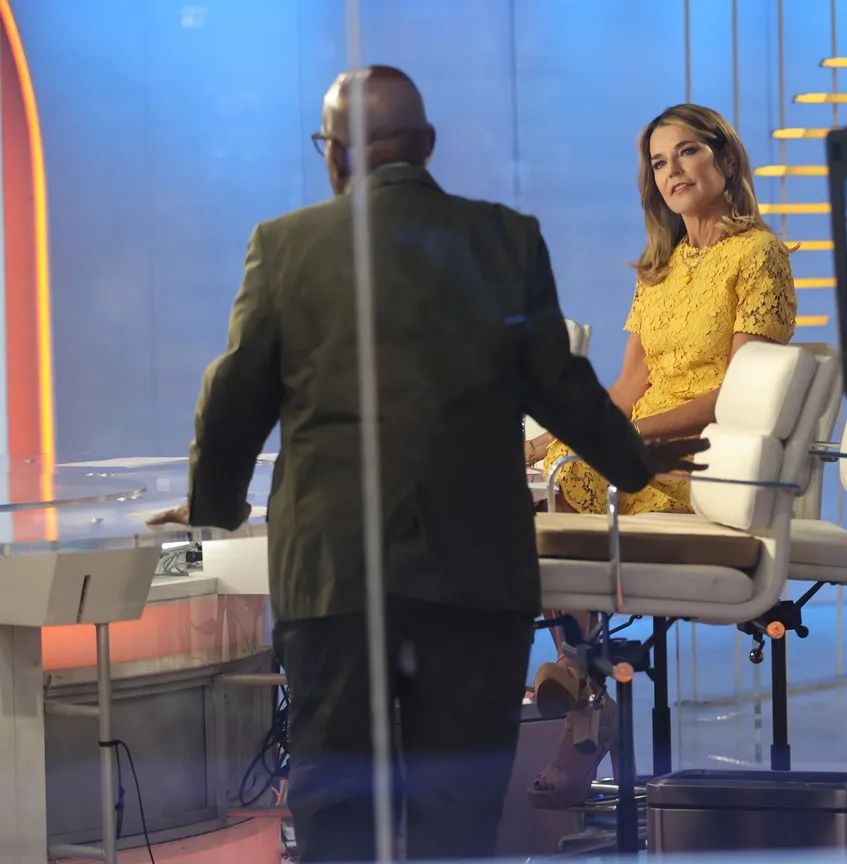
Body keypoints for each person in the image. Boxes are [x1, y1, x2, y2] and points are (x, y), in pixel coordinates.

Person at [147, 66, 708, 863]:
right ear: (429, 146)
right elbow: (563, 389)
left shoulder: (286, 246)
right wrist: (632, 466)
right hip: (475, 571)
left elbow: (233, 396)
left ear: (335, 154)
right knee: (460, 811)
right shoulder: (505, 238)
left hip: (337, 573)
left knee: (339, 805)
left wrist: (217, 505)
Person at [523, 103, 797, 809]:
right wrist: (557, 435)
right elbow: (629, 387)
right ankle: (583, 683)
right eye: (658, 162)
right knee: (538, 482)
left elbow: (737, 396)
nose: (672, 171)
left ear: (725, 160)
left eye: (687, 154)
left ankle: (580, 695)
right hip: (631, 448)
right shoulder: (658, 268)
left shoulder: (758, 256)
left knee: (570, 487)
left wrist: (624, 441)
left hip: (702, 455)